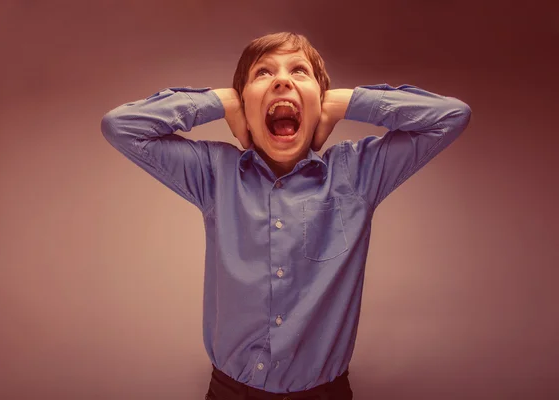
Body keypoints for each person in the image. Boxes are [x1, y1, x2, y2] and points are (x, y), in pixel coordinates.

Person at [101, 32, 471, 400]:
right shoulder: (215, 173)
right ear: (246, 106)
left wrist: (347, 102)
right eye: (262, 73)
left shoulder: (356, 175)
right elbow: (122, 126)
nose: (281, 80)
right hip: (231, 392)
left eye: (299, 71)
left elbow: (451, 116)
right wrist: (219, 101)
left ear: (319, 103)